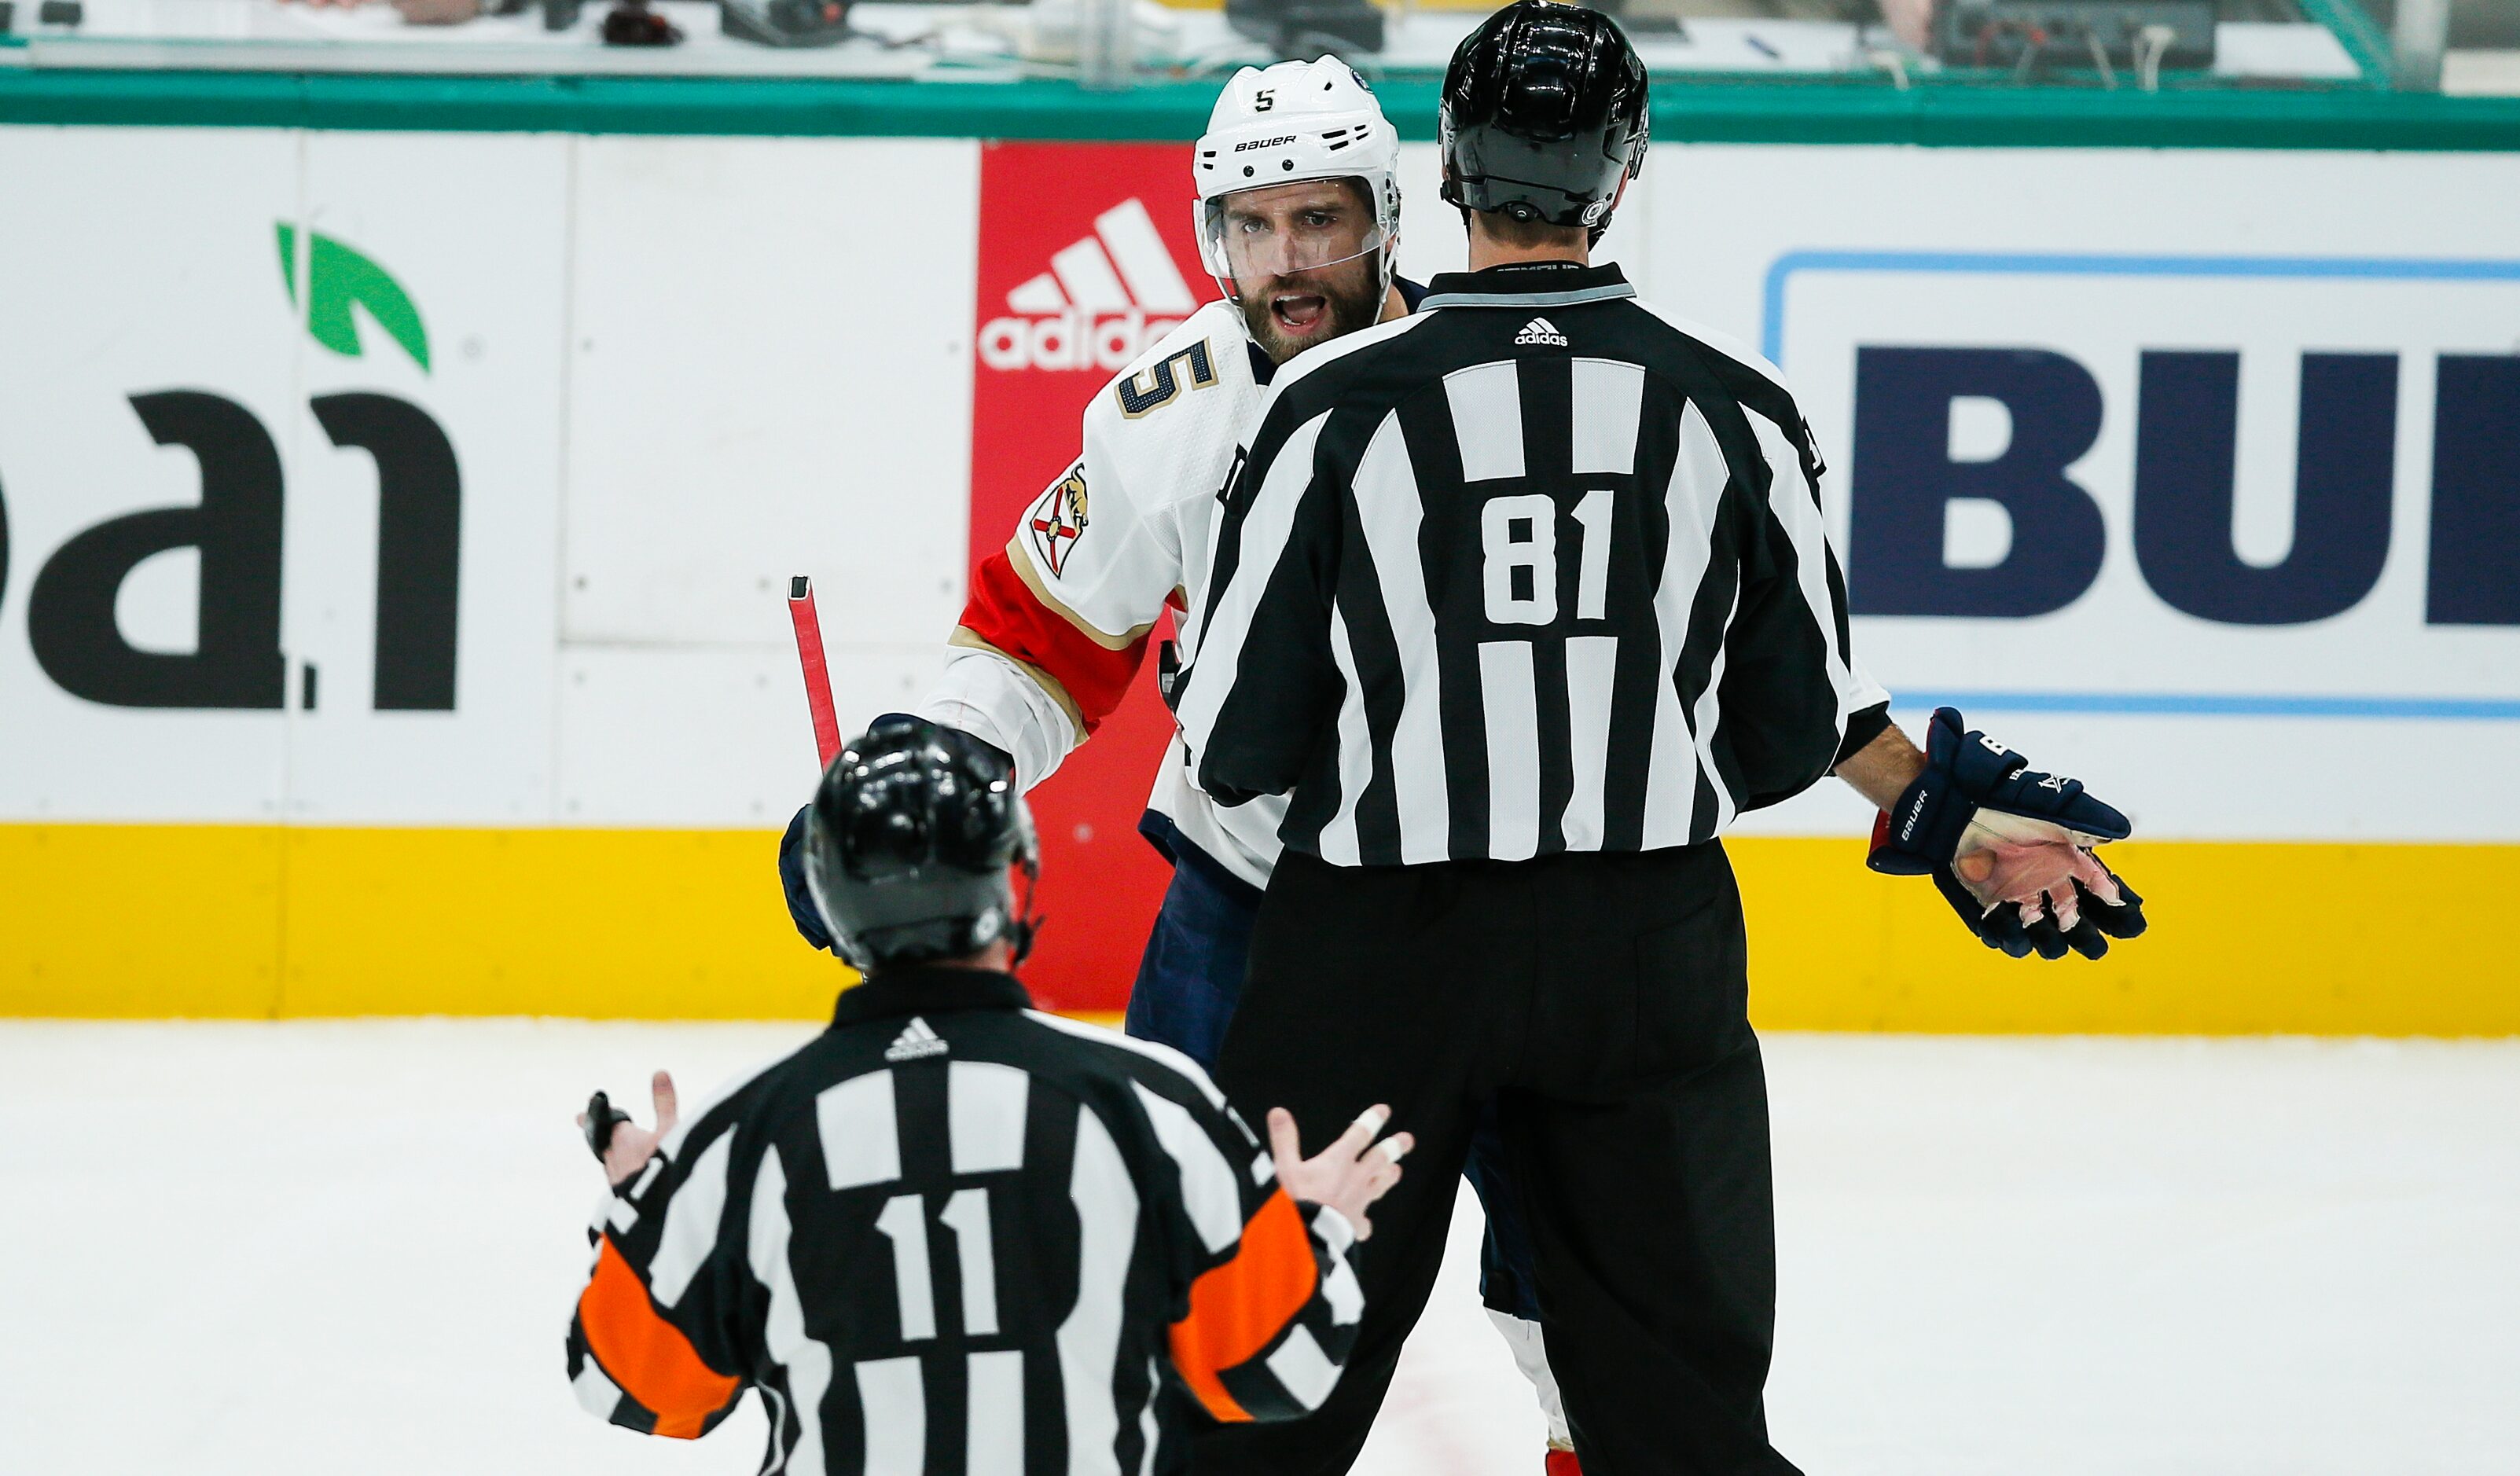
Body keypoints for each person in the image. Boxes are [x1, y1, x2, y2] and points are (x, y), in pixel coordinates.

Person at [1170, 5, 2148, 1473]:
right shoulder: (1734, 409)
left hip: (1376, 953)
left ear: (1442, 171)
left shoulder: (1322, 412)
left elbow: (1234, 741)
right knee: (1676, 1415)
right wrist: (1945, 816)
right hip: (1642, 952)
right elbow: (1784, 731)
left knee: (1255, 1395)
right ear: (1622, 173)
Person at [774, 56, 1594, 1472]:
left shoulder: (1505, 385)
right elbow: (1041, 642)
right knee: (1157, 1242)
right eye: (1250, 226)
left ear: (1389, 218)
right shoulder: (1169, 412)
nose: (1287, 264)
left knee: (1573, 1268)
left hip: (1488, 901)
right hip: (1250, 896)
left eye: (1320, 222)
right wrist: (931, 768)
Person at [570, 718, 1412, 1474]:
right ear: (1012, 884)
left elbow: (632, 1390)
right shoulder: (1148, 1109)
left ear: (829, 903)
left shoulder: (742, 1134)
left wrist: (645, 1202)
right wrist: (1312, 1229)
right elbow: (1276, 1373)